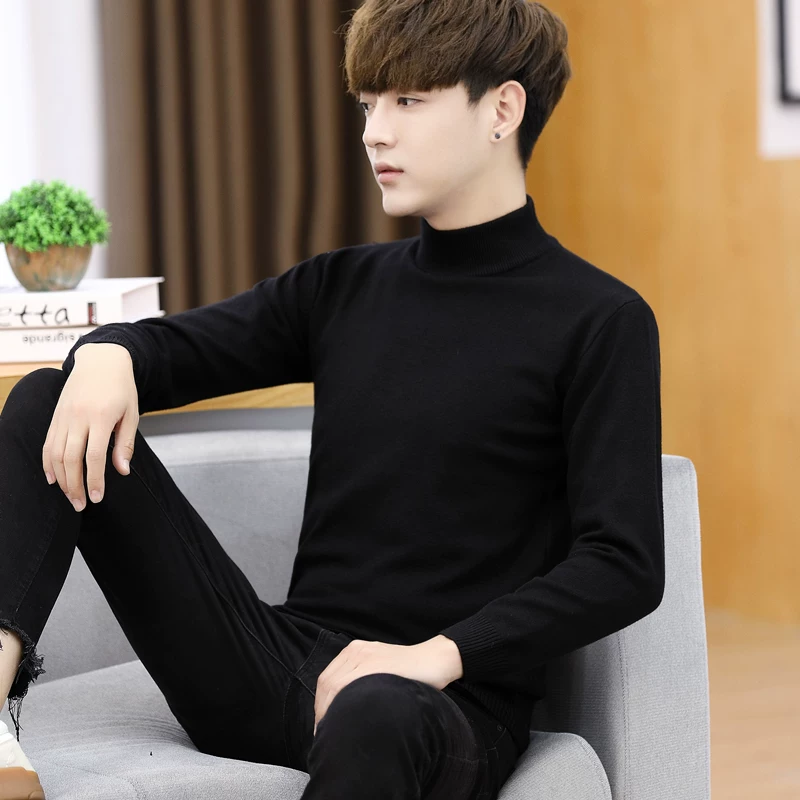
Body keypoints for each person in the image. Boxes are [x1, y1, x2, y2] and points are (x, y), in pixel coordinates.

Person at [0, 1, 666, 798]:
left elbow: (623, 563)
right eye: (367, 104)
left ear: (502, 109)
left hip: (439, 705)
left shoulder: (600, 319)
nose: (374, 133)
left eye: (408, 101)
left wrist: (437, 657)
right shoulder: (340, 288)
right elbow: (174, 349)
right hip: (278, 666)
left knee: (377, 708)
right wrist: (111, 350)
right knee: (50, 396)